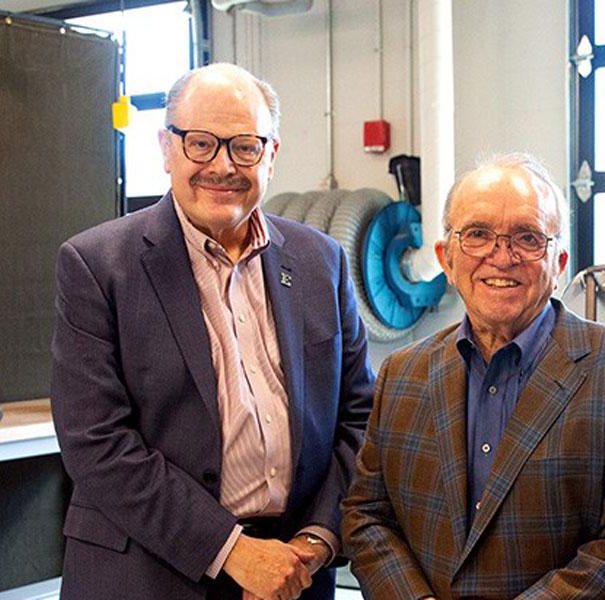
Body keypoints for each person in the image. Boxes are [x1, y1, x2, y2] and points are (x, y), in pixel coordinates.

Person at [50, 63, 374, 600]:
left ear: (270, 154)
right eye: (201, 143)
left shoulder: (323, 262)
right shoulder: (97, 265)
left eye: (245, 146)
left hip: (293, 571)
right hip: (149, 573)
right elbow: (96, 443)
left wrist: (316, 541)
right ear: (166, 148)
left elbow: (360, 418)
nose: (222, 165)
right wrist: (232, 550)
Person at [342, 153, 605, 599]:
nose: (501, 257)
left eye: (527, 237)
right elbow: (366, 514)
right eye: (478, 235)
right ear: (446, 258)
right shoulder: (401, 374)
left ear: (559, 262)